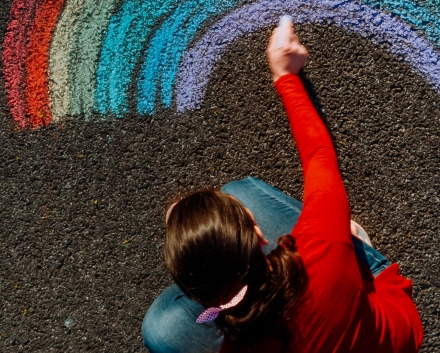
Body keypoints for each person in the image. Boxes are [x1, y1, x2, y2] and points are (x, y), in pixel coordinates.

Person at [142, 20, 423, 353]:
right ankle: (359, 255)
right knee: (239, 190)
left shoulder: (236, 347)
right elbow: (319, 156)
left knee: (159, 331)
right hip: (392, 334)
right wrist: (285, 76)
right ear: (261, 237)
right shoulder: (319, 251)